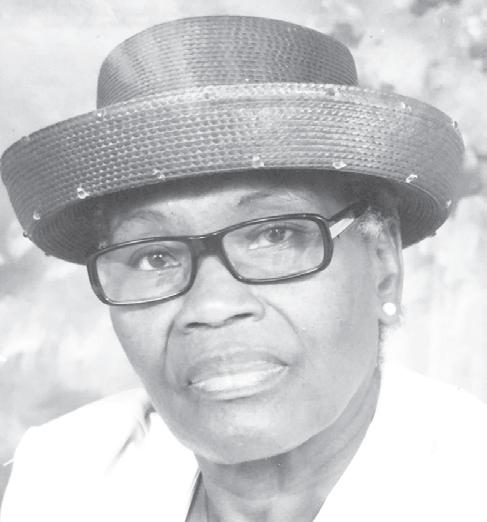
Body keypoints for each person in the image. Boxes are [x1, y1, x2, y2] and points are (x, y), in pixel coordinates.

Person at [1, 15, 486, 522]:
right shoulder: (61, 476)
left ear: (383, 262)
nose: (212, 306)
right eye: (154, 256)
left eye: (275, 235)